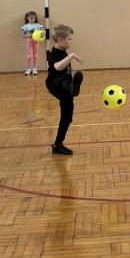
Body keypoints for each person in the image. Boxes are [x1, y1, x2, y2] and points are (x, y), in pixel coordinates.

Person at [45, 25, 84, 154]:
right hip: (55, 84)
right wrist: (71, 56)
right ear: (61, 40)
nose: (71, 42)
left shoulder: (62, 52)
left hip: (65, 91)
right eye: (69, 39)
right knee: (64, 79)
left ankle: (58, 144)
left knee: (67, 117)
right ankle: (71, 87)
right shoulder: (55, 53)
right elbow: (57, 67)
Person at [21, 11, 44, 75]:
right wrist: (28, 35)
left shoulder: (38, 25)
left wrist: (43, 33)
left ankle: (34, 68)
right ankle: (28, 69)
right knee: (29, 56)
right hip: (29, 43)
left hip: (36, 42)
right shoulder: (25, 26)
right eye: (31, 18)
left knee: (35, 56)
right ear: (27, 18)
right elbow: (22, 35)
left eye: (34, 18)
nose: (32, 20)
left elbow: (43, 30)